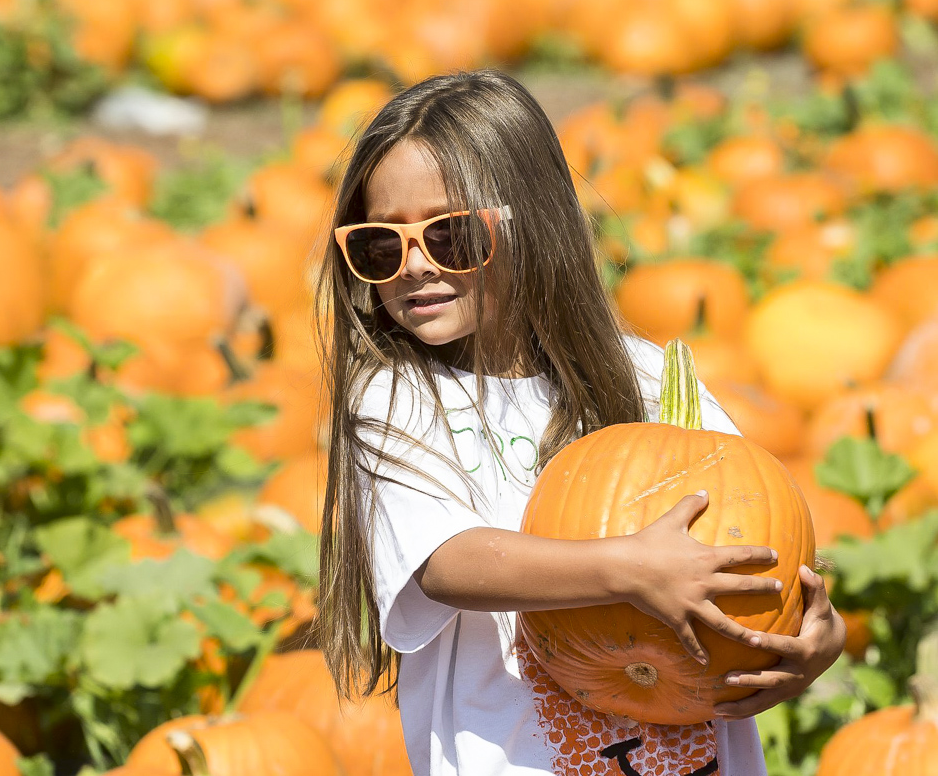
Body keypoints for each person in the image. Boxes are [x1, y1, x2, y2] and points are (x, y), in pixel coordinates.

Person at [313, 68, 845, 776]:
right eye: (381, 245)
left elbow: (757, 531)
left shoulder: (648, 377)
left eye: (452, 236)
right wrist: (627, 569)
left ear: (533, 224)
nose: (414, 265)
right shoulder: (396, 397)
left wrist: (816, 634)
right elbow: (444, 561)